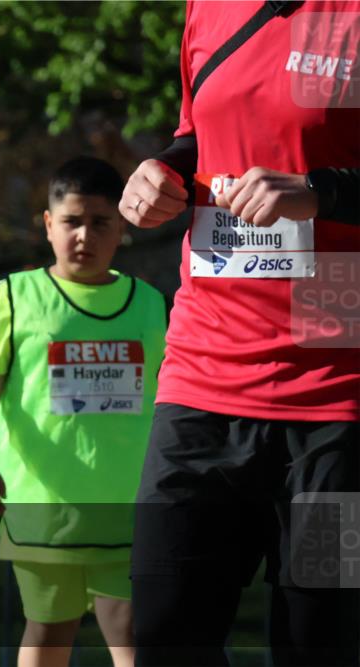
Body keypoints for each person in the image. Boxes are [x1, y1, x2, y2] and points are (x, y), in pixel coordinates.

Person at [119, 2, 359, 665]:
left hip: (337, 396)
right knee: (166, 635)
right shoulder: (209, 6)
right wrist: (162, 171)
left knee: (319, 644)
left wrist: (322, 192)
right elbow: (200, 132)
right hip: (204, 375)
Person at [0, 157, 167, 667]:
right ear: (49, 225)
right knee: (50, 630)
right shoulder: (13, 295)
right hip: (40, 507)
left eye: (100, 223)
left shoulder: (149, 303)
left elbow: (171, 394)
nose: (85, 235)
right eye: (72, 221)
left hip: (127, 505)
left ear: (122, 227)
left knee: (131, 632)